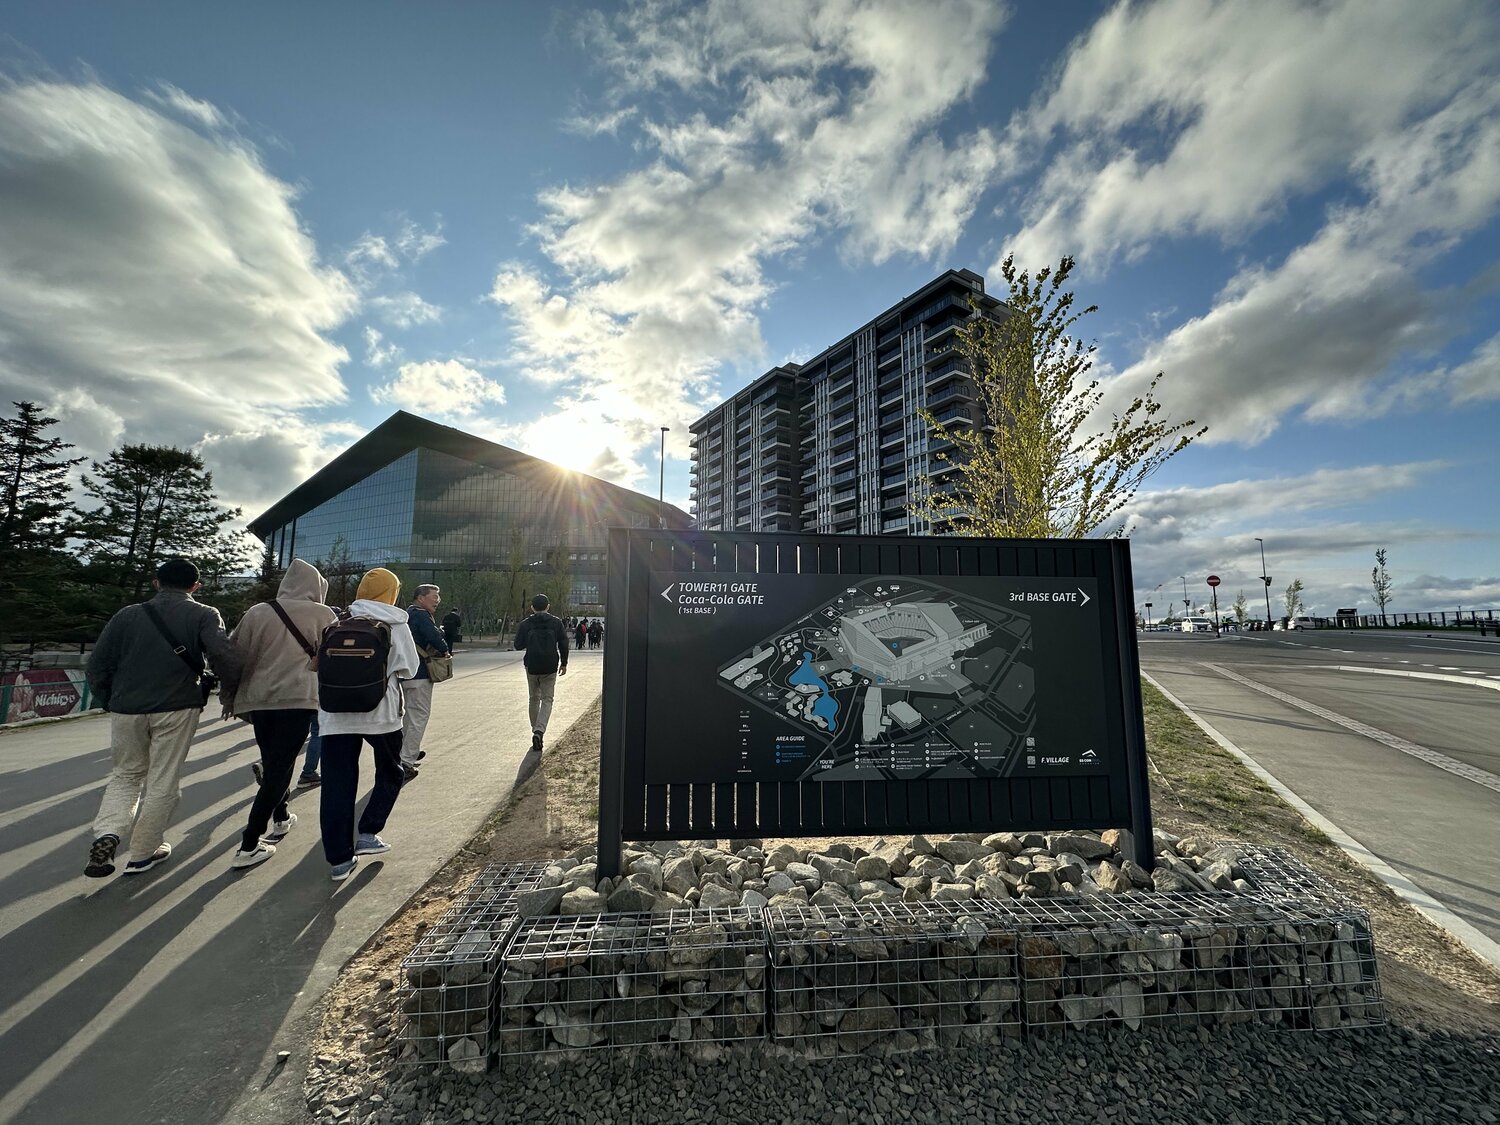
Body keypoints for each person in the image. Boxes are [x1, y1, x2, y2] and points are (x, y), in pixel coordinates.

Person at [83, 558, 243, 878]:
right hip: (178, 705)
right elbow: (222, 656)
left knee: (126, 775)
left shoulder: (126, 615)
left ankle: (108, 833)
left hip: (127, 707)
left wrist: (108, 699)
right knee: (163, 778)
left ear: (156, 583)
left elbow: (97, 664)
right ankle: (144, 851)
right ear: (195, 586)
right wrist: (230, 690)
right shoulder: (204, 614)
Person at [221, 559, 337, 870]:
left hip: (259, 699)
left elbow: (233, 656)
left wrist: (228, 696)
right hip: (298, 698)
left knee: (274, 759)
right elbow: (331, 659)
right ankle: (249, 843)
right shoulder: (324, 614)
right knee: (279, 766)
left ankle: (282, 815)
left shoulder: (258, 612)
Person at [318, 567, 419, 881]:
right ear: (392, 593)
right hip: (381, 714)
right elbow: (410, 668)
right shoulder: (395, 623)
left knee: (337, 783)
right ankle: (368, 832)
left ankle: (339, 860)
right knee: (391, 772)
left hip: (335, 715)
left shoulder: (337, 621)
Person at [400, 583, 449, 779]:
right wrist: (444, 647)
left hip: (404, 673)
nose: (437, 600)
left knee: (408, 716)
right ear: (421, 598)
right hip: (420, 673)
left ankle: (404, 752)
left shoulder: (406, 614)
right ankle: (406, 761)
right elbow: (435, 638)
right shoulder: (421, 615)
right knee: (418, 717)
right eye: (434, 596)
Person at [514, 593, 568, 754]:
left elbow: (518, 645)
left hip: (531, 665)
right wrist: (564, 662)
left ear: (532, 608)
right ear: (548, 606)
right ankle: (539, 731)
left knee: (533, 698)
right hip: (550, 666)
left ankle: (535, 730)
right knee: (547, 699)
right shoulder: (556, 623)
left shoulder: (526, 624)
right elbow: (564, 643)